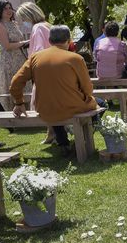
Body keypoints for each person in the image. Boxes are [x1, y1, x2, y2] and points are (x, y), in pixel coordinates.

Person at [10, 25, 99, 156]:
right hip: (72, 107)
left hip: (45, 108)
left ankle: (63, 142)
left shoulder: (35, 57)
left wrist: (19, 102)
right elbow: (87, 88)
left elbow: (15, 83)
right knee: (100, 104)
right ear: (69, 41)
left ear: (50, 41)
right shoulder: (76, 58)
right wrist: (86, 96)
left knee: (54, 104)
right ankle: (84, 138)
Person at [15, 2, 53, 143]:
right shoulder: (48, 25)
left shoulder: (37, 28)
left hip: (44, 72)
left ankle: (54, 133)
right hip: (53, 69)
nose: (23, 23)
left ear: (29, 16)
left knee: (44, 104)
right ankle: (52, 133)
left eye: (23, 20)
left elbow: (38, 52)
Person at [0, 0, 29, 109]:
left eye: (10, 8)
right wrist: (24, 43)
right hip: (9, 60)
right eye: (5, 9)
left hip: (20, 57)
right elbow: (7, 46)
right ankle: (12, 111)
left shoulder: (14, 23)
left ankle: (27, 108)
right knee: (12, 83)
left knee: (23, 81)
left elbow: (18, 40)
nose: (9, 11)